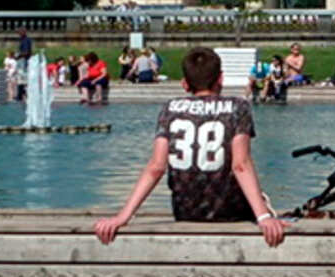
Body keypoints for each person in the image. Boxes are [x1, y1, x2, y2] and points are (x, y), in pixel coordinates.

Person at [92, 46, 287, 247]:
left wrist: (123, 216)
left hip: (186, 213)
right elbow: (241, 165)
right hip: (232, 214)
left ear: (185, 84)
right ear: (220, 79)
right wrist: (264, 216)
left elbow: (156, 167)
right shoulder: (238, 107)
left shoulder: (170, 109)